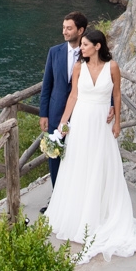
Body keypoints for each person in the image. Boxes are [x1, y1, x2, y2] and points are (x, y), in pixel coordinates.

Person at [44, 28, 136, 262]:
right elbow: (73, 96)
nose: (80, 48)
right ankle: (78, 216)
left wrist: (118, 122)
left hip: (102, 124)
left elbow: (118, 95)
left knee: (101, 166)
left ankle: (101, 214)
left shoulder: (112, 67)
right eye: (81, 45)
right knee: (78, 165)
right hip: (81, 121)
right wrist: (63, 124)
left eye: (84, 45)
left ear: (97, 46)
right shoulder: (78, 68)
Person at [38, 11, 86, 185]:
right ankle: (56, 197)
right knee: (55, 156)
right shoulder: (54, 52)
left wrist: (110, 105)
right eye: (63, 28)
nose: (64, 32)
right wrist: (44, 114)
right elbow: (47, 84)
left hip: (81, 113)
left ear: (80, 31)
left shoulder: (90, 52)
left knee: (78, 155)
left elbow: (103, 81)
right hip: (56, 112)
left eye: (69, 28)